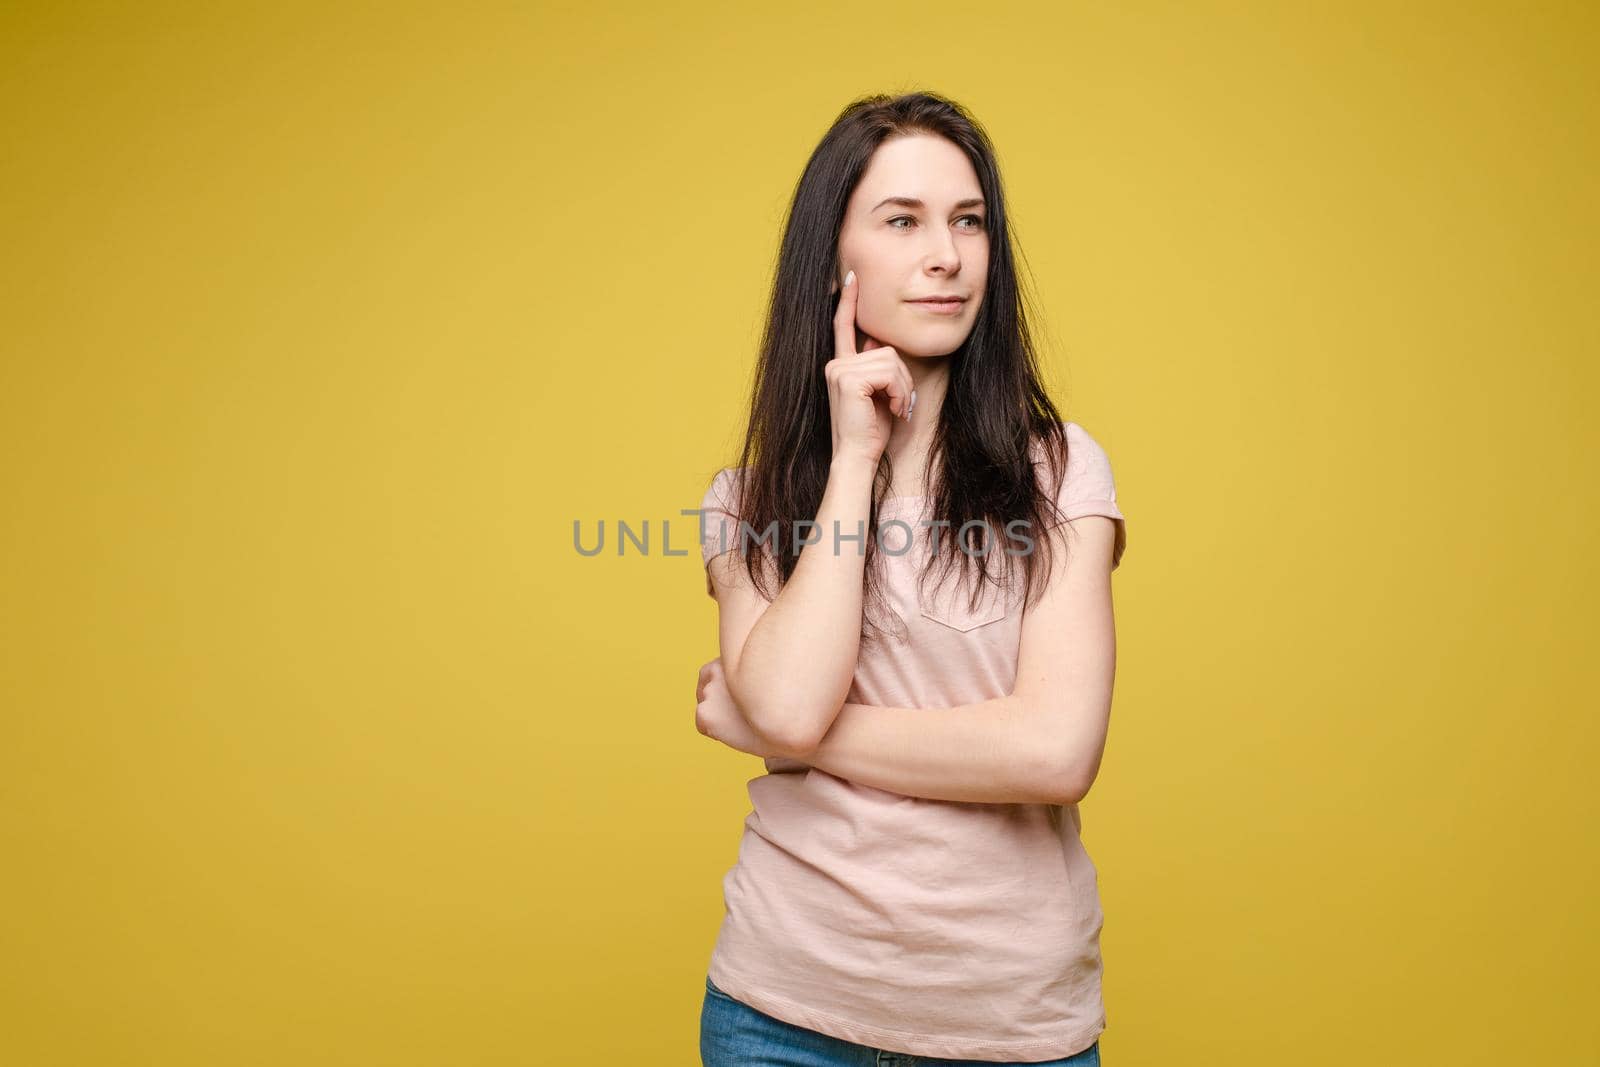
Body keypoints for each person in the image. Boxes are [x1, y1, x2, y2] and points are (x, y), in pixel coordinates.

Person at [692, 91, 1125, 1066]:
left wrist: (762, 726)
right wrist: (853, 463)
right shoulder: (746, 500)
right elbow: (792, 703)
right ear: (831, 258)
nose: (948, 254)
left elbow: (1054, 751)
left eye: (968, 221)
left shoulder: (1058, 471)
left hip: (1009, 1022)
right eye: (903, 221)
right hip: (780, 1013)